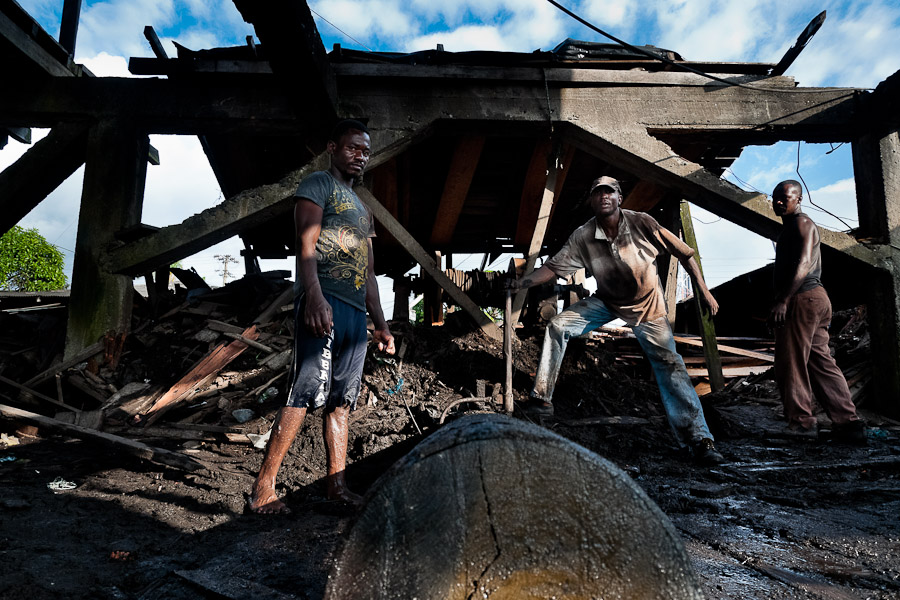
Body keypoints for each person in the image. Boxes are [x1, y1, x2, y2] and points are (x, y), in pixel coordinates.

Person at [509, 176, 724, 465]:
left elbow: (685, 254)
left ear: (619, 198)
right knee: (558, 325)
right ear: (592, 201)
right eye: (597, 193)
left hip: (648, 306)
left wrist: (705, 291)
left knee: (670, 365)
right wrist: (522, 283)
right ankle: (542, 399)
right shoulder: (583, 235)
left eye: (609, 192)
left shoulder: (642, 223)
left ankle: (699, 440)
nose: (604, 197)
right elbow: (552, 267)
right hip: (608, 301)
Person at [249, 120, 395, 514]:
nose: (359, 156)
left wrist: (380, 323)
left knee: (341, 402)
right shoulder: (319, 184)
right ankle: (263, 490)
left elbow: (368, 271)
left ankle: (337, 487)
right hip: (324, 300)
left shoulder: (363, 209)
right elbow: (306, 242)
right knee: (304, 390)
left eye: (365, 151)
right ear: (333, 147)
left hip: (354, 312)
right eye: (352, 148)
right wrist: (312, 297)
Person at [769, 180, 865, 443]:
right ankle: (848, 423)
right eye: (775, 197)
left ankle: (801, 424)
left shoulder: (802, 223)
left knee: (791, 362)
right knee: (820, 362)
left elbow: (803, 263)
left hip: (802, 298)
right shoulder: (791, 227)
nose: (778, 202)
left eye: (785, 197)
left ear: (798, 199)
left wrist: (783, 299)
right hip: (813, 301)